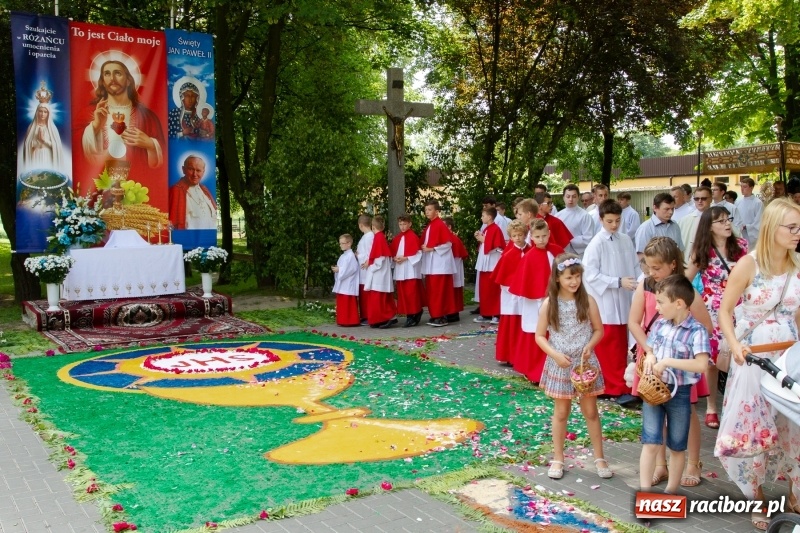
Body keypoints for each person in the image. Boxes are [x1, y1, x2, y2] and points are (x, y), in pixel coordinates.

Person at [717, 198, 800, 530]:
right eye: (792, 227)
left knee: (793, 425)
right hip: (754, 357)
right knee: (754, 430)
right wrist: (735, 344)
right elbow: (725, 311)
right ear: (772, 228)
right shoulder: (748, 265)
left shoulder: (797, 264)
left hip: (789, 355)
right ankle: (758, 497)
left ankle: (795, 492)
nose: (797, 233)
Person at [628, 237, 712, 489]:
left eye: (657, 267)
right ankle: (659, 466)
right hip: (653, 354)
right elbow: (634, 321)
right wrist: (650, 350)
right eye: (649, 267)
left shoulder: (686, 292)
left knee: (686, 414)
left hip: (682, 364)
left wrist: (681, 351)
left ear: (672, 264)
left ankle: (693, 463)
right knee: (655, 414)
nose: (651, 272)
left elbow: (705, 328)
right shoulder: (645, 285)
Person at [536, 253, 612, 481]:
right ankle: (558, 458)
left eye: (577, 276)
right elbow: (539, 336)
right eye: (569, 277)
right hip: (561, 364)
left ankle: (600, 457)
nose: (574, 281)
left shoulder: (587, 301)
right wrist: (555, 355)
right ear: (557, 278)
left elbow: (598, 330)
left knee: (591, 412)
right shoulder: (549, 304)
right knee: (561, 413)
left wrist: (590, 345)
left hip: (584, 364)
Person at [685, 207, 748, 429]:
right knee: (712, 361)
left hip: (739, 308)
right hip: (712, 311)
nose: (727, 224)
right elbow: (686, 280)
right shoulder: (702, 251)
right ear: (709, 227)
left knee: (739, 357)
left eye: (728, 219)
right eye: (720, 221)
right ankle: (712, 406)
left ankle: (735, 405)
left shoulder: (741, 246)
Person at [582, 200, 639, 398]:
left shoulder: (625, 239)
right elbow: (590, 275)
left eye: (617, 220)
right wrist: (617, 282)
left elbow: (634, 266)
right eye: (609, 221)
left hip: (624, 297)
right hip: (605, 301)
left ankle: (621, 382)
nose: (614, 225)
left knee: (621, 344)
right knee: (608, 344)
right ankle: (609, 385)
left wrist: (638, 282)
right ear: (601, 219)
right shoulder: (596, 244)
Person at [82, 59, 165, 171]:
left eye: (117, 73)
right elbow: (78, 156)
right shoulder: (89, 112)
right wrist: (95, 126)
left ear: (128, 81)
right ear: (103, 82)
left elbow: (163, 159)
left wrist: (151, 144)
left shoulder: (148, 117)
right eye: (107, 74)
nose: (112, 78)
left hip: (136, 178)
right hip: (101, 178)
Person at [510, 219, 564, 382]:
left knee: (555, 333)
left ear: (549, 234)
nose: (541, 240)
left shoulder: (557, 252)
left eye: (544, 236)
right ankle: (534, 370)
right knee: (535, 333)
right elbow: (524, 282)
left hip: (556, 300)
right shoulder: (529, 257)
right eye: (538, 236)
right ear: (531, 237)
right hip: (534, 303)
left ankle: (554, 370)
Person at [492, 220, 530, 364]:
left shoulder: (531, 251)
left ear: (525, 234)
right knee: (512, 325)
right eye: (514, 236)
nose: (518, 238)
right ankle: (510, 356)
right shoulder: (508, 255)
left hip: (527, 295)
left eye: (520, 235)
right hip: (511, 296)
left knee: (526, 323)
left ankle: (523, 355)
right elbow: (502, 278)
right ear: (510, 237)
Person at [421, 200, 456, 327]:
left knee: (439, 291)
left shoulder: (440, 224)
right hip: (432, 264)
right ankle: (435, 315)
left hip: (440, 265)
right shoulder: (430, 225)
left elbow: (448, 244)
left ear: (436, 211)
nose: (427, 212)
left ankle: (441, 316)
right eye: (426, 210)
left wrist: (432, 248)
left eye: (430, 210)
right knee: (433, 291)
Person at [20, 82, 65, 172]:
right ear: (37, 112)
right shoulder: (32, 127)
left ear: (48, 114)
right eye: (40, 111)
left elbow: (57, 147)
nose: (42, 114)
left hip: (48, 157)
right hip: (35, 157)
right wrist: (36, 142)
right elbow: (27, 145)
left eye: (45, 112)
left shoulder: (52, 128)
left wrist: (44, 141)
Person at [364, 216, 397, 328]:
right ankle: (378, 319)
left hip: (379, 273)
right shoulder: (380, 237)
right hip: (381, 272)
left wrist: (371, 267)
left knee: (379, 298)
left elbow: (379, 259)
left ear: (373, 227)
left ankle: (386, 318)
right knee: (380, 298)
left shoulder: (378, 238)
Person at [473, 207, 506, 324]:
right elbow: (486, 242)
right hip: (484, 264)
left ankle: (496, 314)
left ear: (490, 217)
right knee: (484, 290)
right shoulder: (487, 228)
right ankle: (485, 313)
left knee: (493, 290)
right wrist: (481, 237)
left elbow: (498, 247)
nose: (481, 218)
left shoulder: (496, 229)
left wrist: (484, 239)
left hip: (492, 263)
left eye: (483, 216)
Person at [391, 214, 423, 328]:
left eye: (404, 224)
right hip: (400, 269)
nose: (402, 226)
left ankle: (414, 314)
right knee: (403, 294)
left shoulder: (413, 237)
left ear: (410, 224)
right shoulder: (397, 238)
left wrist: (406, 258)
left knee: (411, 293)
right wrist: (394, 258)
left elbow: (418, 253)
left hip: (410, 270)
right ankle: (409, 315)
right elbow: (392, 252)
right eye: (400, 224)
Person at [169, 155, 217, 230]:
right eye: (191, 169)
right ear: (183, 170)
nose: (195, 174)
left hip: (207, 235)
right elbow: (172, 223)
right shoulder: (175, 190)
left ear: (203, 172)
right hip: (187, 236)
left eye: (198, 170)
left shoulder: (204, 190)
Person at [635, 192, 683, 257]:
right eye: (667, 209)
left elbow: (680, 251)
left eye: (672, 209)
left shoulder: (675, 226)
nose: (671, 212)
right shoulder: (645, 228)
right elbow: (642, 256)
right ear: (655, 208)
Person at [556, 184, 597, 257]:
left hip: (579, 255)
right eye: (568, 196)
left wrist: (568, 240)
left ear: (578, 197)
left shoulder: (585, 216)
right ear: (563, 197)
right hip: (561, 254)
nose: (570, 199)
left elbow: (588, 238)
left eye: (574, 196)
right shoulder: (557, 216)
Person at [443, 217, 468, 322]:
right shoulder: (448, 238)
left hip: (454, 268)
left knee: (453, 289)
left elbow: (458, 255)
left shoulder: (453, 239)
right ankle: (451, 312)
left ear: (449, 227)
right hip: (450, 267)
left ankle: (453, 313)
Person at [331, 234, 360, 327]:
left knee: (348, 302)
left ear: (349, 243)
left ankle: (350, 321)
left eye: (343, 243)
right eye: (340, 243)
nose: (341, 245)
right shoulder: (343, 256)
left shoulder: (351, 256)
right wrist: (337, 270)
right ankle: (342, 320)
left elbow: (351, 269)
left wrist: (339, 270)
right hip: (343, 283)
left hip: (348, 283)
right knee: (342, 303)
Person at [678, 186, 712, 256]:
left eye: (703, 198)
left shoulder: (719, 219)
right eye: (696, 199)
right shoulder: (684, 220)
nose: (700, 201)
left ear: (711, 199)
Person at [355, 214, 374, 324]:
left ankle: (368, 316)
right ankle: (364, 315)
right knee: (363, 292)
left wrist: (359, 256)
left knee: (367, 293)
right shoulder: (366, 236)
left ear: (361, 225)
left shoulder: (369, 237)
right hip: (363, 269)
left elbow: (369, 253)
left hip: (366, 268)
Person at [735, 177, 764, 249]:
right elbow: (735, 218)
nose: (742, 189)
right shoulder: (738, 202)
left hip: (751, 235)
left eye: (745, 187)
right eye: (741, 186)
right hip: (739, 234)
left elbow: (759, 220)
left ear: (751, 187)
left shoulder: (758, 203)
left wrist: (747, 226)